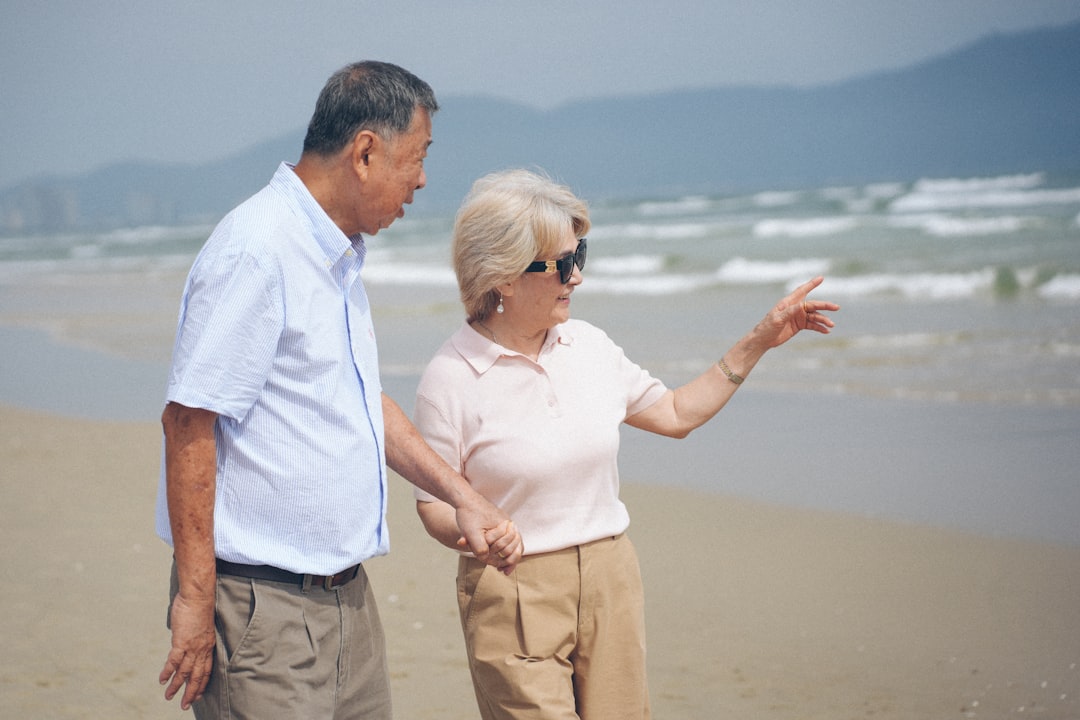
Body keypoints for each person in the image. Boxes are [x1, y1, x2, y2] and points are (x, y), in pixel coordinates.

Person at [155, 61, 523, 720]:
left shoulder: (337, 255)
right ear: (364, 152)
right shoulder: (257, 251)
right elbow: (188, 423)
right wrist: (194, 597)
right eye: (416, 158)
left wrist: (464, 497)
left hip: (348, 599)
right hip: (261, 609)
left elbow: (360, 405)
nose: (422, 179)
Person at [412, 168, 840, 720]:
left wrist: (758, 342)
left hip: (612, 577)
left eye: (580, 255)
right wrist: (477, 532)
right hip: (513, 592)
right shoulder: (450, 376)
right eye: (563, 264)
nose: (578, 277)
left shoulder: (590, 346)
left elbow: (677, 413)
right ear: (504, 277)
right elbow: (433, 505)